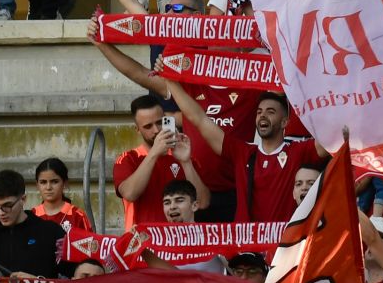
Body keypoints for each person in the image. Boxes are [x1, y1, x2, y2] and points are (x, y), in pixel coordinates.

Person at [163, 82, 310, 224]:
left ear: (285, 122)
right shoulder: (243, 152)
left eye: (270, 112)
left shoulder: (298, 151)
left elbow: (331, 143)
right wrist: (170, 81)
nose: (263, 115)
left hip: (283, 244)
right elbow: (199, 119)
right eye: (259, 112)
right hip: (246, 244)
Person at [113, 94, 212, 229]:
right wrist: (154, 152)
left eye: (160, 122)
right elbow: (130, 193)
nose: (156, 130)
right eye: (148, 126)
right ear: (137, 129)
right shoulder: (128, 158)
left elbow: (203, 202)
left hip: (180, 243)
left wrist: (186, 162)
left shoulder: (183, 155)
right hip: (144, 244)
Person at [0, 168, 66, 279]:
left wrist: (37, 282)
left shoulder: (51, 232)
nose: (1, 213)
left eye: (7, 206)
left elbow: (71, 277)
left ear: (23, 199)